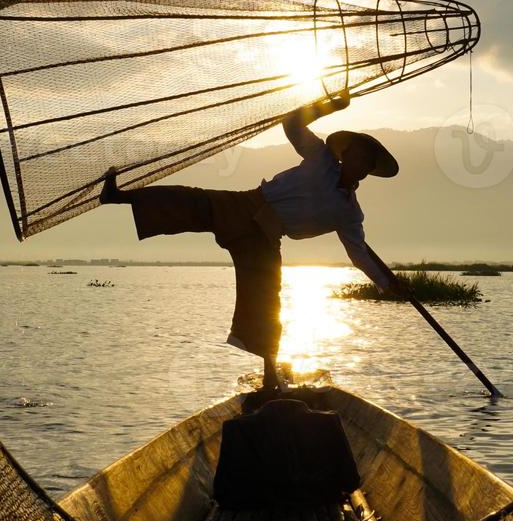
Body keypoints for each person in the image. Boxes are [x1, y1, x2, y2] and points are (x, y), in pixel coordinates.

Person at [99, 91, 400, 391]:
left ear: (367, 170)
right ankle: (118, 197)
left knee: (267, 302)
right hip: (248, 205)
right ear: (344, 153)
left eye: (364, 160)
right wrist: (330, 106)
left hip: (267, 237)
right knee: (192, 201)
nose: (356, 161)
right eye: (354, 153)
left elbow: (359, 254)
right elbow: (292, 123)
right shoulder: (320, 157)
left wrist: (388, 283)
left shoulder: (349, 213)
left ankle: (270, 375)